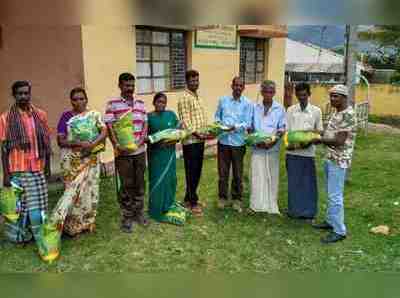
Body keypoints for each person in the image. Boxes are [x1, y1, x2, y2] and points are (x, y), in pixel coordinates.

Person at [0, 80, 51, 243]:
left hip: (37, 167)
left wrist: (47, 166)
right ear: (14, 95)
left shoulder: (40, 115)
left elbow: (46, 142)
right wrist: (6, 175)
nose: (23, 96)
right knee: (18, 207)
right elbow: (4, 148)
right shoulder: (5, 118)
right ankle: (17, 237)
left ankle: (39, 234)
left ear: (30, 93)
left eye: (26, 93)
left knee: (38, 206)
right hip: (17, 168)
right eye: (19, 93)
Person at [51, 87, 107, 236]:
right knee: (73, 192)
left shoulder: (93, 115)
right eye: (75, 99)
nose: (78, 101)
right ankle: (72, 226)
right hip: (72, 162)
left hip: (91, 158)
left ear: (86, 99)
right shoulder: (66, 117)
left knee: (90, 190)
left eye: (81, 98)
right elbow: (60, 140)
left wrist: (92, 145)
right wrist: (78, 143)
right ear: (71, 101)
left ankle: (88, 222)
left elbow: (104, 132)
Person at [104, 73, 149, 233]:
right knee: (126, 184)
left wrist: (139, 141)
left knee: (139, 182)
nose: (130, 89)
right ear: (120, 85)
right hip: (122, 153)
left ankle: (138, 212)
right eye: (126, 85)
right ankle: (127, 216)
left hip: (140, 151)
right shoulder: (112, 104)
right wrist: (116, 145)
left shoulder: (141, 104)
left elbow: (145, 125)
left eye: (132, 85)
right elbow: (109, 127)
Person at [312, 84, 357, 244]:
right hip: (330, 158)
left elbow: (339, 140)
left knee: (335, 195)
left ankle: (339, 230)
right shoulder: (337, 113)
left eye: (336, 96)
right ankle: (330, 221)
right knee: (331, 193)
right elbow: (331, 133)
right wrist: (319, 133)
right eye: (331, 96)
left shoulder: (348, 115)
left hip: (339, 160)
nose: (332, 99)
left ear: (344, 98)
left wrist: (317, 139)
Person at [147, 92, 186, 225]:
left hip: (169, 154)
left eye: (163, 102)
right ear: (154, 103)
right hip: (156, 155)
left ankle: (168, 204)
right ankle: (156, 209)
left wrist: (177, 135)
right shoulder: (149, 118)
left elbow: (178, 134)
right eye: (159, 102)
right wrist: (156, 141)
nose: (161, 105)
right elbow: (146, 138)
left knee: (170, 179)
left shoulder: (171, 115)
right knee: (157, 179)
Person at [214, 77, 253, 213]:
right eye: (235, 85)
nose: (237, 88)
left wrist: (234, 127)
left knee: (237, 173)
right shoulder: (223, 101)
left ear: (243, 88)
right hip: (223, 141)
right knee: (223, 172)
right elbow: (217, 117)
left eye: (240, 85)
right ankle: (222, 198)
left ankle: (237, 199)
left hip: (238, 143)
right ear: (232, 86)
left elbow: (247, 123)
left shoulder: (248, 104)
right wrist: (221, 125)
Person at [286, 83, 323, 221]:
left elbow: (318, 134)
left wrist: (307, 141)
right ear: (296, 95)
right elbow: (288, 133)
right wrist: (295, 144)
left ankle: (308, 212)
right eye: (299, 95)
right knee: (294, 183)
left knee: (308, 184)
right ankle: (294, 211)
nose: (302, 98)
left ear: (309, 94)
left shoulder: (316, 111)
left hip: (308, 153)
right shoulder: (290, 110)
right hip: (292, 153)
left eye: (304, 95)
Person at [249, 80, 286, 214]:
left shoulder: (280, 108)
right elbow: (250, 127)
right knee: (258, 175)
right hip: (257, 147)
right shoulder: (255, 107)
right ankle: (257, 205)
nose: (268, 94)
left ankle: (271, 205)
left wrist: (273, 140)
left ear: (274, 93)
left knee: (272, 176)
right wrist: (256, 140)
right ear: (262, 92)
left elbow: (282, 128)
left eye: (271, 92)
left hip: (272, 148)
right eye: (266, 91)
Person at [177, 70, 208, 216]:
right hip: (191, 141)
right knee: (192, 171)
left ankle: (188, 198)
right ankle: (192, 204)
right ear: (187, 82)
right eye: (193, 81)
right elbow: (185, 122)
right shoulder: (184, 98)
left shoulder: (197, 97)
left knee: (197, 171)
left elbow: (200, 119)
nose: (195, 83)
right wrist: (197, 133)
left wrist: (207, 132)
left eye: (197, 80)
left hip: (200, 139)